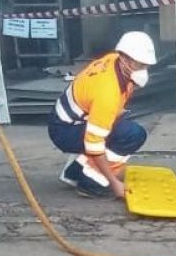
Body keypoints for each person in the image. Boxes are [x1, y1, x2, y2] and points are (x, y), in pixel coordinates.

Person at [48, 31, 156, 199]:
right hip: (65, 130)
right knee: (132, 135)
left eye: (146, 65)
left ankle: (74, 172)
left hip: (66, 120)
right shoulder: (108, 92)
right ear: (125, 59)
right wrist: (114, 183)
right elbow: (94, 145)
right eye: (140, 65)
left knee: (115, 126)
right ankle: (91, 184)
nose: (144, 70)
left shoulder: (114, 60)